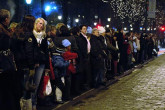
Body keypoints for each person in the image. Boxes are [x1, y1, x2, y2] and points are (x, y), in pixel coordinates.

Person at [12, 15, 36, 110]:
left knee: (19, 89)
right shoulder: (29, 35)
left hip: (17, 64)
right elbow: (29, 52)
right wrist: (31, 67)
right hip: (26, 65)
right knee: (27, 90)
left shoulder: (16, 33)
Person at [0, 9, 19, 110]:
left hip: (4, 65)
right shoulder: (4, 33)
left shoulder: (5, 31)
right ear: (6, 19)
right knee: (7, 92)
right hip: (5, 66)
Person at [31, 18, 50, 110]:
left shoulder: (44, 36)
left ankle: (34, 103)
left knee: (36, 84)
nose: (41, 25)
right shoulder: (31, 35)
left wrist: (47, 66)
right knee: (29, 83)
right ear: (35, 24)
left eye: (42, 24)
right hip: (32, 62)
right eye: (39, 23)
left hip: (41, 63)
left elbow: (46, 52)